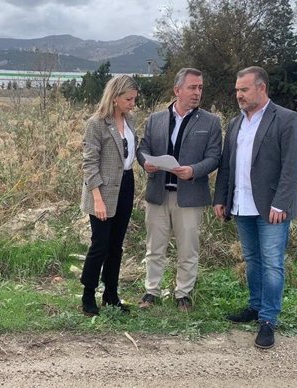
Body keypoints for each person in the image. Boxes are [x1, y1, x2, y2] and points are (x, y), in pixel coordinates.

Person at [213, 66, 297, 349]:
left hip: (272, 207)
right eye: (237, 90)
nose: (238, 95)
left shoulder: (286, 119)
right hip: (241, 205)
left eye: (244, 89)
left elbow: (292, 165)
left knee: (272, 263)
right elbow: (228, 164)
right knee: (252, 260)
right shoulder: (235, 122)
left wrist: (282, 202)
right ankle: (255, 307)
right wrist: (221, 198)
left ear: (261, 88)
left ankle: (268, 320)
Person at [136, 68, 222, 312]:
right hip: (158, 194)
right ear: (177, 90)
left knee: (188, 249)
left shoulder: (211, 121)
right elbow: (143, 148)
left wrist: (193, 170)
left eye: (200, 88)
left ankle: (183, 293)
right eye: (192, 87)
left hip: (190, 195)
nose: (197, 93)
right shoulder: (156, 119)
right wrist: (146, 163)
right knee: (154, 248)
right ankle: (151, 291)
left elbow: (215, 157)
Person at [79, 75, 139, 316]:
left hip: (126, 184)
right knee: (100, 245)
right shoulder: (96, 123)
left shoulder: (131, 120)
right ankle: (88, 294)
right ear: (114, 98)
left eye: (134, 98)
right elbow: (89, 163)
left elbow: (131, 152)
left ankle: (111, 294)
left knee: (117, 245)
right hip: (101, 189)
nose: (133, 103)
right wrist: (97, 198)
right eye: (128, 99)